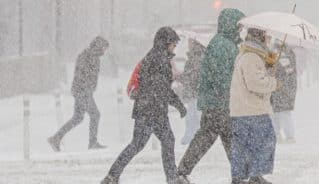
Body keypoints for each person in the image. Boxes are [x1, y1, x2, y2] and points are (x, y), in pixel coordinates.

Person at [102, 27, 187, 184]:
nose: (174, 48)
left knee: (140, 144)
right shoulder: (160, 59)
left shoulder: (153, 57)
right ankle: (172, 178)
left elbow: (157, 87)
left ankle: (112, 176)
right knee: (164, 141)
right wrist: (178, 104)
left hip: (147, 108)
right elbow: (162, 88)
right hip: (153, 110)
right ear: (165, 43)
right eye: (173, 44)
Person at [176, 8, 245, 181]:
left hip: (218, 102)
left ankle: (243, 176)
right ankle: (182, 172)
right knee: (212, 138)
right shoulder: (223, 45)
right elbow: (223, 76)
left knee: (222, 139)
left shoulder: (225, 43)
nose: (240, 29)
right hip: (220, 103)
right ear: (231, 25)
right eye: (238, 25)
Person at [230, 27, 279, 184]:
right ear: (261, 37)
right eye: (267, 36)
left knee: (243, 146)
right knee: (265, 141)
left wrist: (269, 68)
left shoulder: (246, 54)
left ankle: (241, 177)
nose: (269, 39)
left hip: (241, 110)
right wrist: (273, 83)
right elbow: (255, 83)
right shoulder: (252, 57)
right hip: (252, 109)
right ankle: (254, 176)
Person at [49, 36, 109, 152]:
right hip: (82, 91)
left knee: (78, 118)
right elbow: (82, 74)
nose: (104, 51)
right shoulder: (87, 56)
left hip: (83, 91)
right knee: (95, 115)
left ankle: (56, 138)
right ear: (99, 46)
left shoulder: (93, 56)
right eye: (104, 48)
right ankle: (92, 142)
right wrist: (87, 89)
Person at [178, 39, 206, 146]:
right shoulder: (197, 56)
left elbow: (193, 75)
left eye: (190, 42)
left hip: (195, 93)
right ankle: (191, 138)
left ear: (195, 43)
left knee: (193, 117)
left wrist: (181, 77)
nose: (188, 44)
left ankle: (192, 138)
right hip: (196, 92)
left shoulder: (196, 57)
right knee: (193, 117)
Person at [270, 48, 298, 143]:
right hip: (282, 88)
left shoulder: (283, 53)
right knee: (277, 112)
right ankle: (279, 134)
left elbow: (288, 71)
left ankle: (286, 135)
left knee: (282, 112)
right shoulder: (283, 52)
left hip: (282, 88)